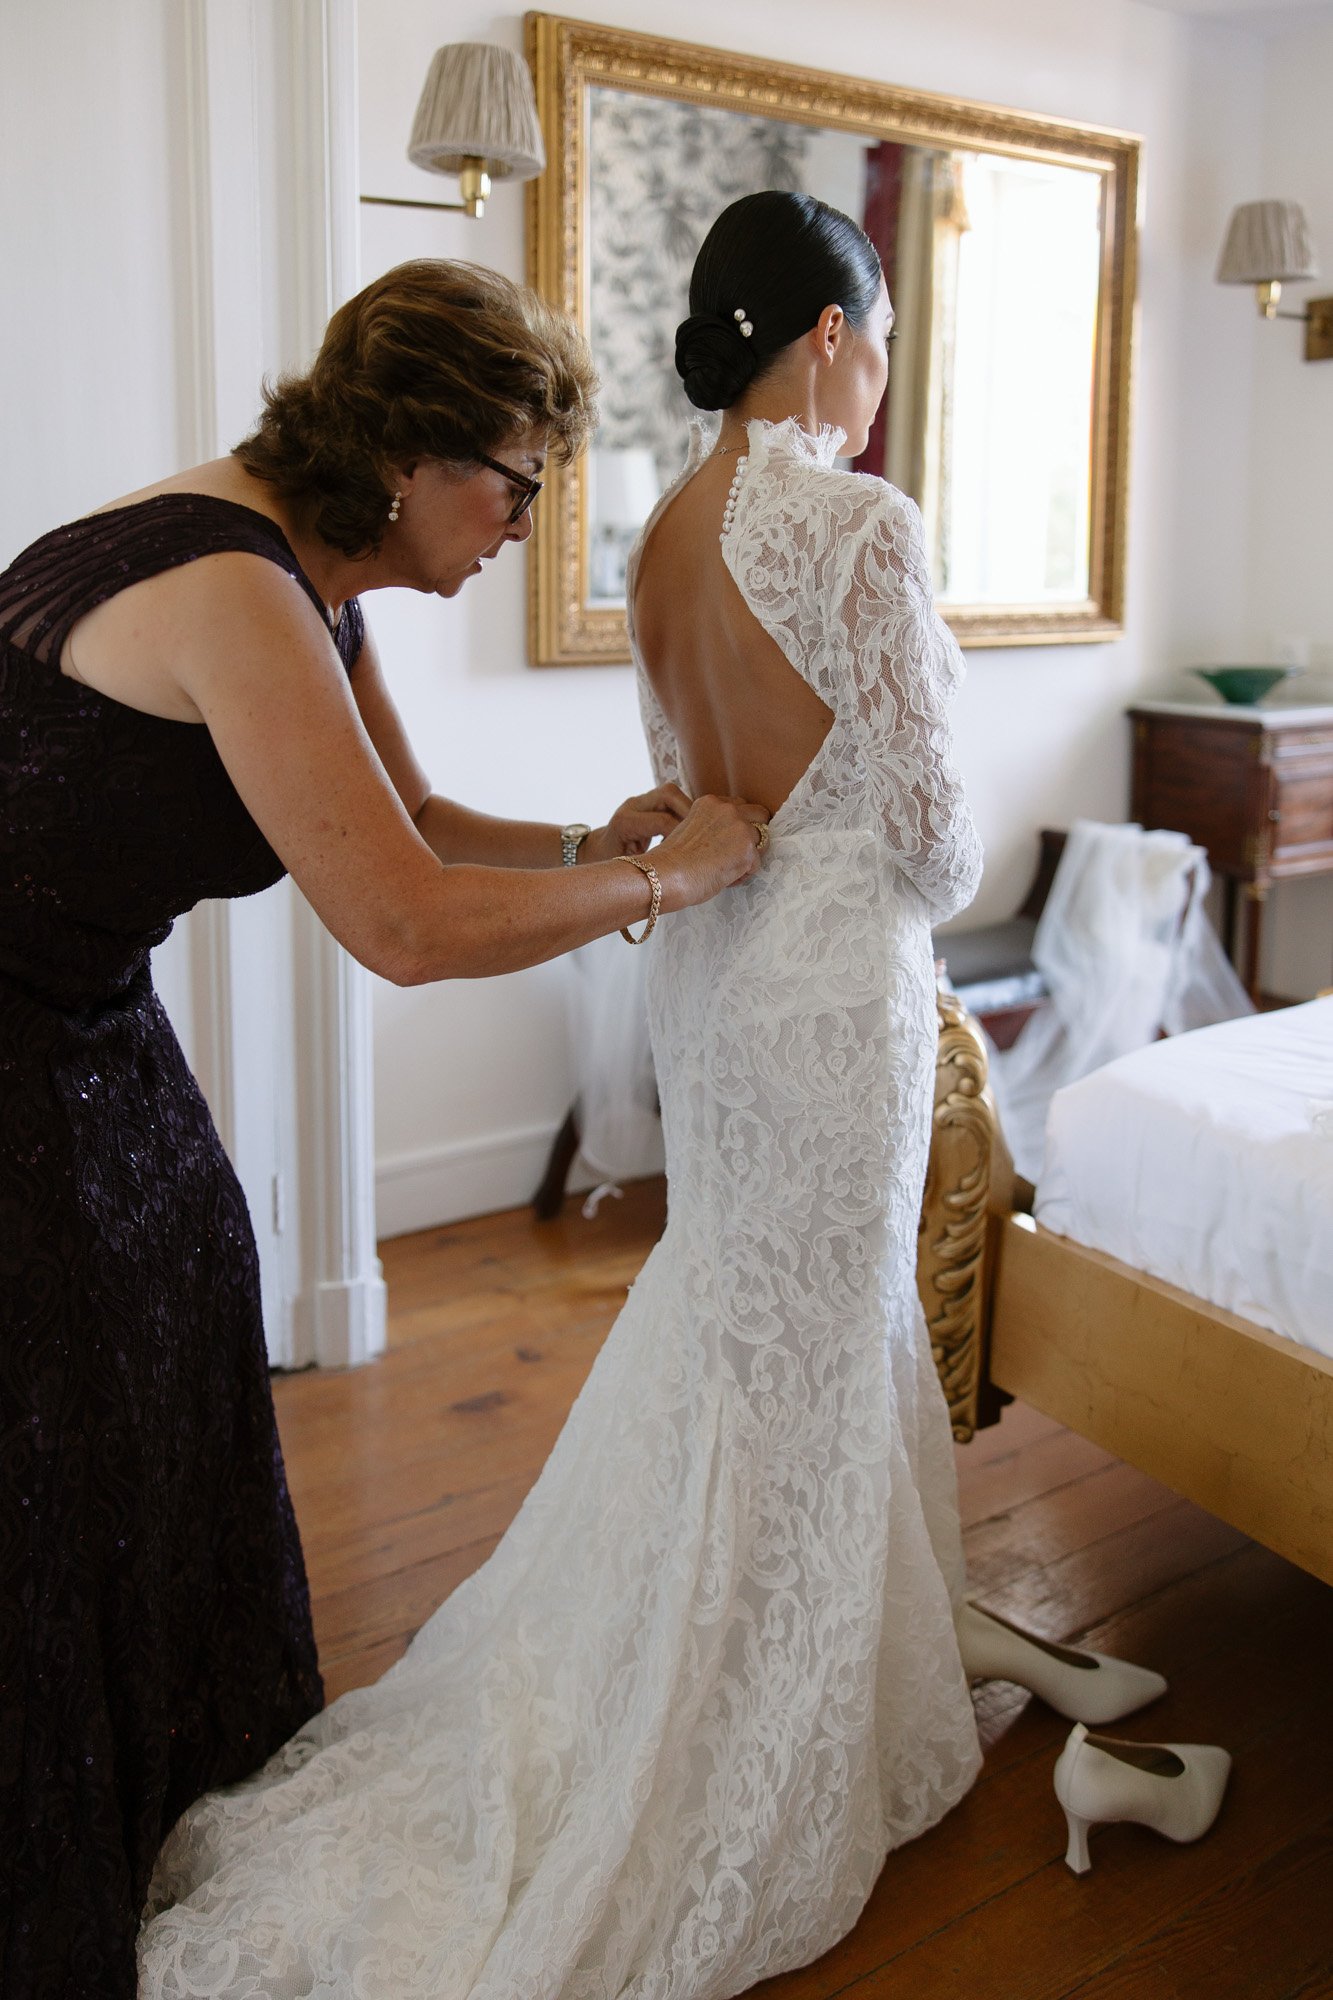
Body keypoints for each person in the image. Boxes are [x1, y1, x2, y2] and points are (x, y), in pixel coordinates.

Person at [135, 206, 1167, 1996]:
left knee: (740, 1327)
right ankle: (747, 1721)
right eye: (885, 343)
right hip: (832, 987)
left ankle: (800, 1651)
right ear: (832, 335)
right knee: (815, 1340)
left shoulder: (671, 530)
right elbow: (937, 844)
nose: (883, 381)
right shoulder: (858, 524)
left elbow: (683, 791)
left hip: (711, 978)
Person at [0, 258, 767, 1999]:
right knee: (54, 1422)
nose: (523, 518)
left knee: (189, 1309)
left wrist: (588, 841)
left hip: (83, 1005)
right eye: (514, 476)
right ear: (413, 457)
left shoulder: (304, 573)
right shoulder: (230, 584)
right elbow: (404, 926)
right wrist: (674, 875)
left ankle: (180, 1772)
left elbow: (410, 813)